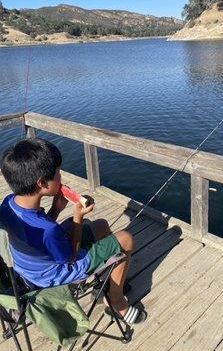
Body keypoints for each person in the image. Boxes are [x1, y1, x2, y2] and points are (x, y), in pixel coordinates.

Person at [0, 138, 145, 324]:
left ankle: (109, 277)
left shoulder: (8, 203)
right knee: (126, 239)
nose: (61, 178)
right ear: (42, 183)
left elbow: (33, 236)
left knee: (101, 225)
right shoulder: (48, 230)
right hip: (55, 276)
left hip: (30, 267)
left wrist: (56, 209)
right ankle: (116, 301)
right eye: (58, 174)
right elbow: (70, 257)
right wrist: (78, 217)